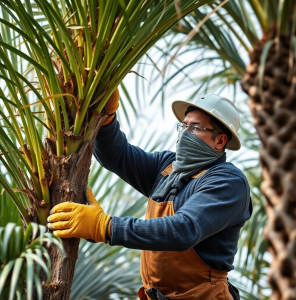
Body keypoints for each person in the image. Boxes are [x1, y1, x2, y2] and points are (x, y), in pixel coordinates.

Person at [47, 91, 252, 300]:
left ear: (220, 141)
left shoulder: (228, 181)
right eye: (183, 126)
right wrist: (107, 120)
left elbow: (183, 230)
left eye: (196, 128)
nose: (185, 133)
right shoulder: (167, 167)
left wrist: (105, 227)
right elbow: (118, 155)